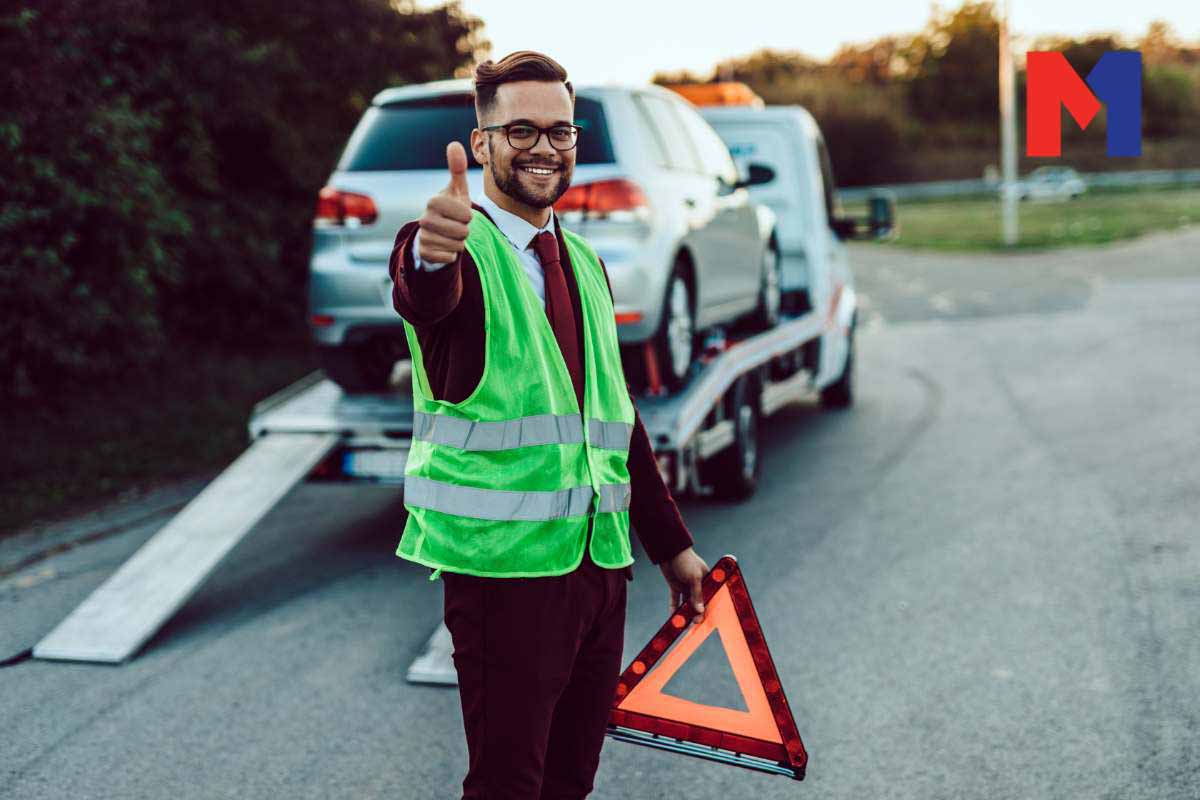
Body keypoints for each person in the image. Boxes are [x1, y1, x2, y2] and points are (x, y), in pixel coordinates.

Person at [389, 50, 709, 799]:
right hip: (507, 578)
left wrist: (672, 547)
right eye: (522, 130)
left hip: (598, 570)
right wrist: (431, 255)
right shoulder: (457, 247)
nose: (544, 147)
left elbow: (615, 418)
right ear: (482, 143)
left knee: (571, 782)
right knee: (508, 785)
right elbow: (424, 290)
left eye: (560, 131)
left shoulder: (587, 263)